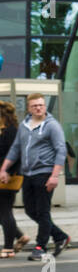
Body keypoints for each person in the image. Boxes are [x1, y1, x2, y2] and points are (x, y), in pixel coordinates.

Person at [0, 93, 71, 261]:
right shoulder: (25, 125)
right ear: (29, 108)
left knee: (43, 211)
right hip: (28, 174)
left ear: (44, 106)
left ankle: (41, 246)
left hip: (45, 173)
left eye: (41, 105)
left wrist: (55, 176)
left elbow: (61, 150)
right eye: (35, 106)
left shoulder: (52, 126)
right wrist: (4, 169)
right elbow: (15, 149)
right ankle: (60, 236)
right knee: (30, 210)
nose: (39, 108)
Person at [0, 101, 29, 258]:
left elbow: (16, 155)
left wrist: (8, 171)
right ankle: (20, 236)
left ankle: (8, 248)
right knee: (2, 212)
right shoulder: (3, 130)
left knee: (5, 210)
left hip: (9, 177)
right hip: (3, 175)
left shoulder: (11, 131)